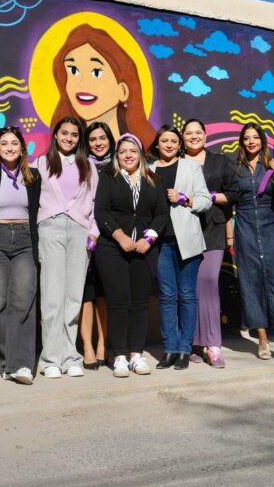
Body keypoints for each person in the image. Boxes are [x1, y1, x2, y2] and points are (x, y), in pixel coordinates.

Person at [94, 134, 169, 377]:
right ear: (117, 155)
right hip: (113, 249)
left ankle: (136, 355)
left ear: (140, 155)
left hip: (144, 250)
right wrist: (120, 236)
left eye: (133, 151)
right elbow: (101, 211)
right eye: (123, 151)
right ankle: (119, 357)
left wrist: (149, 239)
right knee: (118, 302)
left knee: (139, 303)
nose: (128, 155)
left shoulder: (153, 179)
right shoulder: (108, 177)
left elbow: (161, 214)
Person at [34, 116, 99, 379]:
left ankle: (71, 356)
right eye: (65, 133)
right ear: (56, 135)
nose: (69, 138)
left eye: (74, 134)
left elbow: (94, 202)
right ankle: (50, 358)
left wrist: (93, 232)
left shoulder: (89, 166)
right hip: (50, 229)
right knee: (52, 295)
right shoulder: (41, 162)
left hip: (80, 230)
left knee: (73, 296)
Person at [0, 126, 42, 384]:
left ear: (22, 148)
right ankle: (6, 361)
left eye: (15, 143)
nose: (10, 147)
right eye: (5, 143)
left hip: (25, 239)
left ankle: (22, 364)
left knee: (23, 300)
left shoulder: (33, 177)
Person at [147, 125, 211, 370]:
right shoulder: (148, 170)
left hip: (188, 242)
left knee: (187, 295)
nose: (170, 144)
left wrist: (185, 199)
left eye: (174, 140)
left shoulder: (191, 167)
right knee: (167, 297)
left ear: (179, 144)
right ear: (157, 144)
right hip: (161, 243)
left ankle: (184, 348)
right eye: (165, 140)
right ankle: (170, 349)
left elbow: (206, 201)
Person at [231, 123, 274, 362]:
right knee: (250, 283)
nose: (251, 141)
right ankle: (263, 339)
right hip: (245, 229)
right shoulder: (235, 169)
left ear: (262, 140)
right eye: (246, 138)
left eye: (255, 137)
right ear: (242, 142)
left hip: (271, 228)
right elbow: (231, 202)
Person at [181, 119, 238, 368]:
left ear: (205, 135)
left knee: (208, 282)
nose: (193, 137)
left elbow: (235, 193)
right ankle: (194, 343)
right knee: (190, 286)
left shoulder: (220, 161)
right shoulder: (176, 163)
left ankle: (213, 344)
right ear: (182, 137)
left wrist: (209, 197)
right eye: (188, 133)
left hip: (212, 228)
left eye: (197, 133)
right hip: (184, 230)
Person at [49, 22, 156, 143]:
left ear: (123, 91)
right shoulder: (69, 153)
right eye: (73, 70)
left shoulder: (134, 154)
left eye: (96, 72)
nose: (82, 83)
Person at [80, 121, 115, 369]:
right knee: (86, 294)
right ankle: (87, 347)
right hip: (83, 236)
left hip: (111, 239)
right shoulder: (81, 166)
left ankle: (103, 344)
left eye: (102, 138)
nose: (98, 143)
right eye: (93, 139)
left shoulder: (119, 165)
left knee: (104, 295)